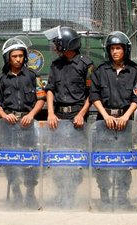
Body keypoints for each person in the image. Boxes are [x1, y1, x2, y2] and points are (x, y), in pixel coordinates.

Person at [90, 31, 137, 208]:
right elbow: (94, 95)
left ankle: (122, 195)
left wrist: (126, 117)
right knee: (103, 159)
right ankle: (104, 194)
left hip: (125, 123)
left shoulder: (134, 71)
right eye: (112, 48)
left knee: (124, 160)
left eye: (118, 48)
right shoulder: (100, 71)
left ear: (125, 50)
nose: (115, 52)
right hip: (103, 121)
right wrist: (105, 116)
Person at [44, 26, 94, 207]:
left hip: (77, 117)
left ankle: (72, 193)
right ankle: (60, 192)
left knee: (76, 157)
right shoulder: (56, 65)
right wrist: (50, 112)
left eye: (57, 42)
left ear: (66, 44)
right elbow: (50, 90)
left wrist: (81, 114)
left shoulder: (86, 65)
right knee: (59, 156)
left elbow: (92, 93)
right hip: (58, 116)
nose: (55, 46)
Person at [0, 36, 45, 208]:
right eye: (14, 56)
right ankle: (16, 191)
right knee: (11, 161)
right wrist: (4, 115)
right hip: (8, 126)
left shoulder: (32, 76)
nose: (18, 59)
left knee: (30, 159)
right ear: (8, 57)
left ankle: (30, 193)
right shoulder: (1, 79)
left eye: (20, 56)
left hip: (28, 125)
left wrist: (31, 115)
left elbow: (40, 99)